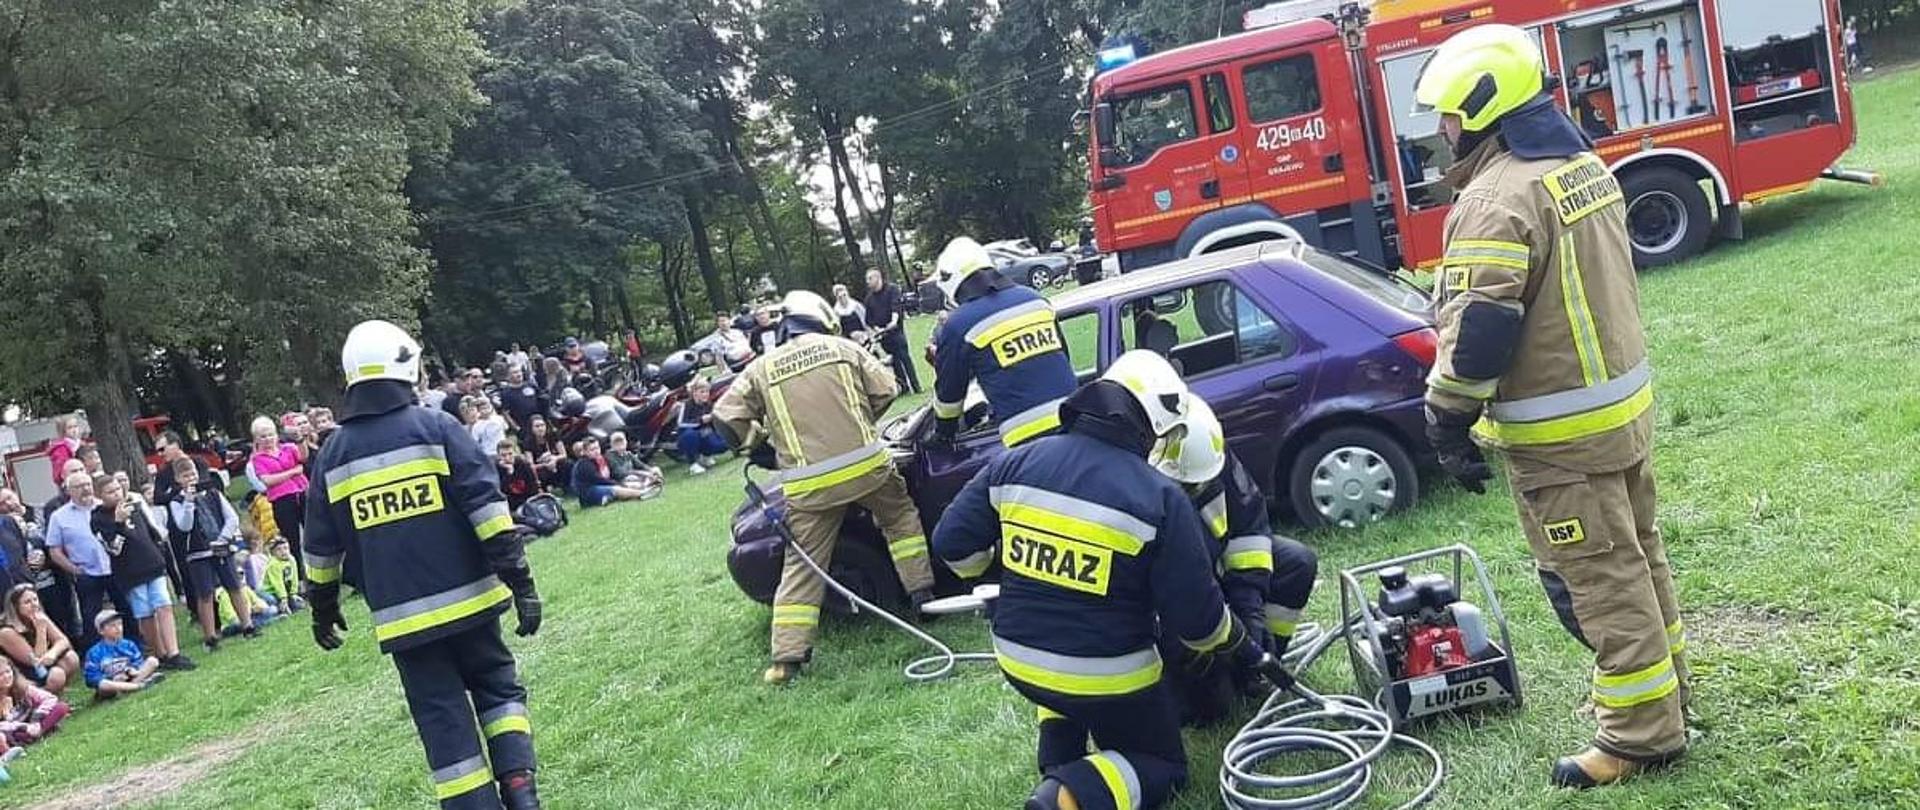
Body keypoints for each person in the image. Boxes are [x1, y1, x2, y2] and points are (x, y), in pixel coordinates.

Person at [1415, 24, 1686, 788]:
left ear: (1479, 108)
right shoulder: (1577, 165)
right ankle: (1666, 694)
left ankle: (1639, 735)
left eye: (1448, 115)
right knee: (1638, 559)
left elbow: (1482, 331)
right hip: (1618, 415)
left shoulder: (1498, 196)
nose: (1441, 131)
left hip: (1560, 434)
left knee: (1598, 581)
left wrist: (1446, 417)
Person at [930, 351, 1286, 810]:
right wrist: (1244, 645)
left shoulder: (1015, 462)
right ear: (1151, 424)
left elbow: (952, 543)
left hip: (1017, 662)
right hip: (1110, 679)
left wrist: (1006, 569)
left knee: (1066, 657)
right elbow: (1198, 624)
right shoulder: (1158, 496)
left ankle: (1059, 754)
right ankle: (1065, 795)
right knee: (1162, 765)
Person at [305, 319, 544, 809]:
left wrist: (322, 609)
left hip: (405, 623)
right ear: (404, 366)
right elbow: (489, 510)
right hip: (473, 603)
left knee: (443, 724)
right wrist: (519, 581)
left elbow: (320, 549)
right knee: (499, 691)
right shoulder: (436, 428)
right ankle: (520, 789)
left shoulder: (332, 456)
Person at [713, 290, 936, 685]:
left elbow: (725, 416)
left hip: (808, 485)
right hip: (868, 467)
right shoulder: (842, 347)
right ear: (821, 317)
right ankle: (923, 598)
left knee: (802, 563)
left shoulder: (760, 368)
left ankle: (787, 658)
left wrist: (759, 449)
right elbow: (886, 388)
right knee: (901, 520)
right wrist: (856, 421)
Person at [1150, 396, 1316, 721]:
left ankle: (1261, 668)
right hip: (1172, 610)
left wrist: (1251, 615)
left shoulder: (1209, 454)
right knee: (1215, 710)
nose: (1196, 491)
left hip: (1214, 570)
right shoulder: (1138, 485)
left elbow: (1249, 529)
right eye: (1186, 487)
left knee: (1297, 562)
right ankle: (1204, 685)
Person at [928, 237, 1078, 449]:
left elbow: (950, 396)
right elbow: (1060, 357)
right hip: (1075, 422)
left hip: (1026, 437)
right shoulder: (1036, 300)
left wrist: (943, 434)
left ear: (951, 281)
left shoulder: (959, 323)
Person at [92, 475, 193, 671]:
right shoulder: (98, 518)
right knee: (145, 613)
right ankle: (160, 653)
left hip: (152, 563)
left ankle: (174, 652)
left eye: (118, 489)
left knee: (163, 605)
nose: (116, 494)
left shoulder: (134, 505)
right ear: (100, 495)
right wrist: (118, 524)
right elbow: (113, 549)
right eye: (110, 492)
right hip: (130, 572)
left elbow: (150, 530)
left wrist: (159, 552)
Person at [164, 458, 258, 651]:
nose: (190, 478)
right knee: (205, 593)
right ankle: (210, 636)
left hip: (221, 546)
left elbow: (231, 516)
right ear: (178, 479)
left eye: (192, 474)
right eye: (185, 476)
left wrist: (224, 537)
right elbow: (184, 525)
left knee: (234, 585)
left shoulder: (213, 493)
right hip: (198, 552)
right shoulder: (177, 502)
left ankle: (247, 624)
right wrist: (189, 503)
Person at [45, 472, 138, 651]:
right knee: (91, 617)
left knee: (126, 608)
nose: (86, 489)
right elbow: (54, 550)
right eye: (79, 486)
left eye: (88, 484)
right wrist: (73, 569)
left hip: (115, 567)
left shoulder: (106, 508)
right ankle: (98, 653)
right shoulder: (59, 517)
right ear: (69, 491)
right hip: (87, 573)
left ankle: (135, 645)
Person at [250, 416, 310, 584]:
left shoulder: (289, 448)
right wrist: (292, 472)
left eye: (270, 434)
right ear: (256, 439)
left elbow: (303, 457)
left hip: (302, 492)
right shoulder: (257, 459)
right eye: (263, 436)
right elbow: (267, 480)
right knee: (292, 540)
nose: (268, 439)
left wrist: (300, 439)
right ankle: (300, 578)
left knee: (312, 532)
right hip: (282, 500)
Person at [0, 585, 79, 696]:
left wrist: (53, 653)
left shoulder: (38, 616)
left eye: (35, 599)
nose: (34, 605)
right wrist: (41, 630)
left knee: (71, 658)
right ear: (16, 607)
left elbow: (63, 641)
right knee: (57, 675)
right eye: (27, 602)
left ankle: (55, 693)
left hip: (40, 666)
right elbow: (35, 661)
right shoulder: (6, 631)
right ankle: (43, 701)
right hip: (17, 674)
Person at [862, 268, 921, 393]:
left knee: (905, 358)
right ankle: (904, 388)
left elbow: (896, 306)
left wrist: (893, 322)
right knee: (894, 361)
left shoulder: (892, 289)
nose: (867, 282)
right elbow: (869, 319)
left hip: (896, 332)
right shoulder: (869, 299)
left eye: (870, 278)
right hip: (883, 335)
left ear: (878, 278)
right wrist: (877, 328)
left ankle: (916, 387)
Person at [82, 609, 161, 699]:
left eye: (120, 624)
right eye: (112, 626)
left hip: (130, 678)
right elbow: (91, 678)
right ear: (101, 631)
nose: (118, 628)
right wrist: (112, 678)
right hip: (112, 684)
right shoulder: (94, 652)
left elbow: (138, 662)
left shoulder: (129, 644)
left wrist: (132, 670)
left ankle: (129, 688)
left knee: (153, 661)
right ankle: (140, 686)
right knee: (103, 685)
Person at [0, 660, 70, 754]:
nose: (6, 677)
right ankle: (14, 748)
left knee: (61, 707)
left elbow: (50, 698)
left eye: (8, 672)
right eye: (0, 675)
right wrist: (22, 726)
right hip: (14, 731)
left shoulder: (23, 688)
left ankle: (39, 732)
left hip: (33, 724)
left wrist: (36, 719)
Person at [569, 440, 654, 507]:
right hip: (588, 491)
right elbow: (598, 480)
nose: (596, 451)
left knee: (626, 483)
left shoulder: (598, 459)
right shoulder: (584, 464)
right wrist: (619, 484)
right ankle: (642, 493)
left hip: (597, 487)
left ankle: (642, 487)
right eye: (592, 449)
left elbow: (611, 474)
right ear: (585, 452)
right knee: (615, 489)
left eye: (597, 448)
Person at [672, 378, 728, 475]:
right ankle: (693, 464)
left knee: (722, 443)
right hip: (687, 437)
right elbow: (681, 424)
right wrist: (700, 421)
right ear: (694, 393)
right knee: (691, 435)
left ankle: (707, 455)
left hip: (705, 434)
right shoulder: (686, 405)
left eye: (707, 392)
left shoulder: (709, 405)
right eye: (702, 392)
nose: (705, 394)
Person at [151, 431, 211, 505]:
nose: (160, 454)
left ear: (175, 445)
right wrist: (178, 492)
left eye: (162, 449)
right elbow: (158, 499)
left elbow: (206, 483)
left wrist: (175, 490)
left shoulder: (198, 461)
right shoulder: (162, 473)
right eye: (157, 451)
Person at [526, 415, 570, 493]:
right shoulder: (528, 442)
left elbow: (564, 454)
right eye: (537, 426)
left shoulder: (553, 435)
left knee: (567, 463)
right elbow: (531, 465)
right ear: (531, 429)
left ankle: (566, 487)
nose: (540, 428)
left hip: (555, 462)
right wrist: (545, 464)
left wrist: (554, 458)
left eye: (542, 425)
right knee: (536, 473)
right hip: (541, 467)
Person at [497, 366, 542, 441]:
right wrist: (516, 428)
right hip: (523, 427)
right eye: (515, 372)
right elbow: (505, 413)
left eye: (519, 371)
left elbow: (541, 400)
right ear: (508, 376)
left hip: (538, 424)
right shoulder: (506, 393)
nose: (519, 374)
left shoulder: (531, 385)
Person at [495, 441, 543, 511]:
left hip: (527, 500)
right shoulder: (496, 469)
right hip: (510, 504)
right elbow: (502, 492)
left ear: (515, 453)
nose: (507, 458)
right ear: (498, 456)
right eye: (503, 455)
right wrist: (509, 474)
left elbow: (533, 487)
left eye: (510, 454)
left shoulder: (524, 465)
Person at [260, 538, 302, 616]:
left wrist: (293, 593)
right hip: (270, 591)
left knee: (297, 605)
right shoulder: (273, 564)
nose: (283, 552)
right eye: (279, 549)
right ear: (273, 552)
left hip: (284, 590)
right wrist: (283, 598)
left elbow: (294, 577)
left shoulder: (291, 560)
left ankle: (285, 605)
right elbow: (277, 583)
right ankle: (277, 609)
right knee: (274, 602)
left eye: (285, 548)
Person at [45, 416, 85, 488]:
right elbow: (60, 468)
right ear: (63, 431)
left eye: (75, 426)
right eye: (70, 428)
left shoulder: (81, 444)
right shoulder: (61, 448)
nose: (74, 430)